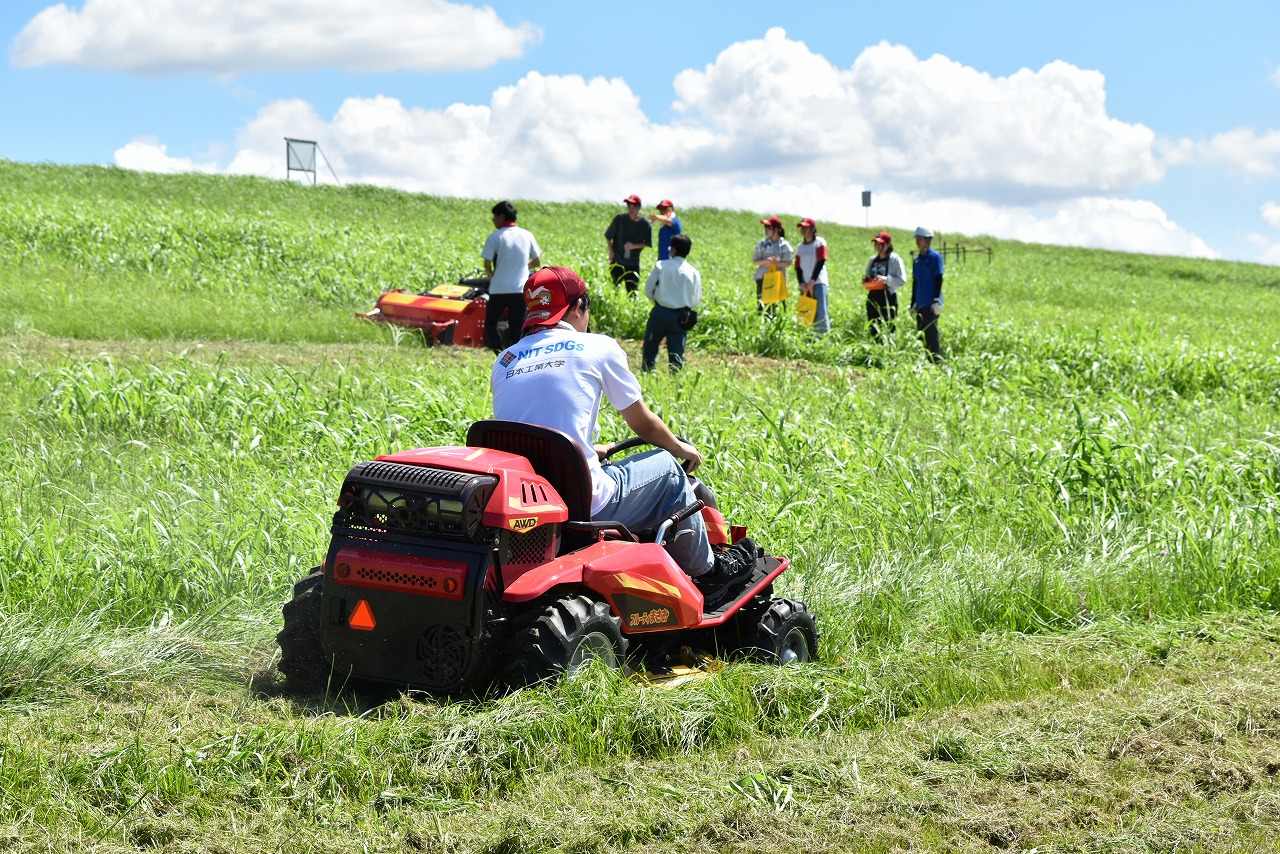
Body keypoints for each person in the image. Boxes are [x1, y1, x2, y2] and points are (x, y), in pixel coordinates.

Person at [491, 265, 758, 591]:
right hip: (584, 502)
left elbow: (534, 430)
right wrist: (680, 448)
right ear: (578, 308)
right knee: (669, 471)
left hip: (531, 500)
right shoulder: (597, 347)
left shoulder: (505, 360)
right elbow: (642, 422)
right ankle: (710, 572)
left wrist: (591, 451)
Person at [480, 200, 542, 352]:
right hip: (520, 289)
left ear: (501, 216)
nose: (493, 220)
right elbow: (537, 261)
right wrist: (524, 267)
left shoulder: (495, 236)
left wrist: (490, 276)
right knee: (517, 328)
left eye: (494, 217)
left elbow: (487, 263)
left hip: (498, 288)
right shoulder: (527, 235)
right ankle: (514, 357)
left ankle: (499, 353)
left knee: (490, 324)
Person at [642, 233, 701, 372]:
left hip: (660, 312)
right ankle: (675, 379)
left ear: (673, 249)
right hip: (681, 316)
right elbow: (696, 299)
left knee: (650, 347)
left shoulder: (661, 265)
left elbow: (648, 289)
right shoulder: (694, 272)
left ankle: (647, 373)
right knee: (676, 353)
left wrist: (655, 300)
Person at [604, 194, 652, 293]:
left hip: (633, 263)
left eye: (633, 206)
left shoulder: (645, 224)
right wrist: (611, 252)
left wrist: (633, 246)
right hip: (617, 260)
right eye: (629, 206)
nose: (631, 209)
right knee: (614, 289)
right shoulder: (620, 219)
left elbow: (647, 243)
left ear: (639, 208)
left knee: (632, 292)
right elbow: (608, 236)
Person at [864, 231, 907, 340]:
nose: (877, 246)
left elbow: (902, 279)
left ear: (887, 245)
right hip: (873, 296)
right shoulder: (872, 260)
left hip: (888, 297)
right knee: (873, 327)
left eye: (880, 244)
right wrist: (867, 281)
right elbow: (868, 275)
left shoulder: (895, 259)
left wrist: (886, 280)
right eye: (876, 244)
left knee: (889, 327)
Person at [910, 226, 944, 363]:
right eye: (917, 239)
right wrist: (912, 303)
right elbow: (915, 282)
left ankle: (936, 361)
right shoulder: (917, 261)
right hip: (920, 303)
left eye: (921, 239)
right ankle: (923, 361)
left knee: (931, 334)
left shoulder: (935, 257)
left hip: (931, 303)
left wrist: (936, 300)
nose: (918, 242)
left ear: (928, 240)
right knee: (920, 333)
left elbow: (938, 278)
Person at [793, 217, 830, 335]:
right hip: (805, 285)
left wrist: (812, 281)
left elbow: (821, 261)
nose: (803, 230)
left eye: (806, 227)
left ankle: (823, 342)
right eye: (801, 228)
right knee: (806, 312)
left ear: (813, 229)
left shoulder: (819, 242)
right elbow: (798, 267)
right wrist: (802, 283)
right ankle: (807, 339)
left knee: (820, 312)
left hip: (818, 282)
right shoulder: (800, 247)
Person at [752, 215, 793, 312]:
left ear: (777, 230)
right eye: (765, 228)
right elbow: (755, 261)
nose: (766, 230)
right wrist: (766, 261)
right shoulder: (762, 244)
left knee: (778, 306)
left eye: (769, 228)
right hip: (762, 278)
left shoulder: (784, 245)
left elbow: (787, 263)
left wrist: (775, 263)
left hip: (777, 279)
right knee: (762, 306)